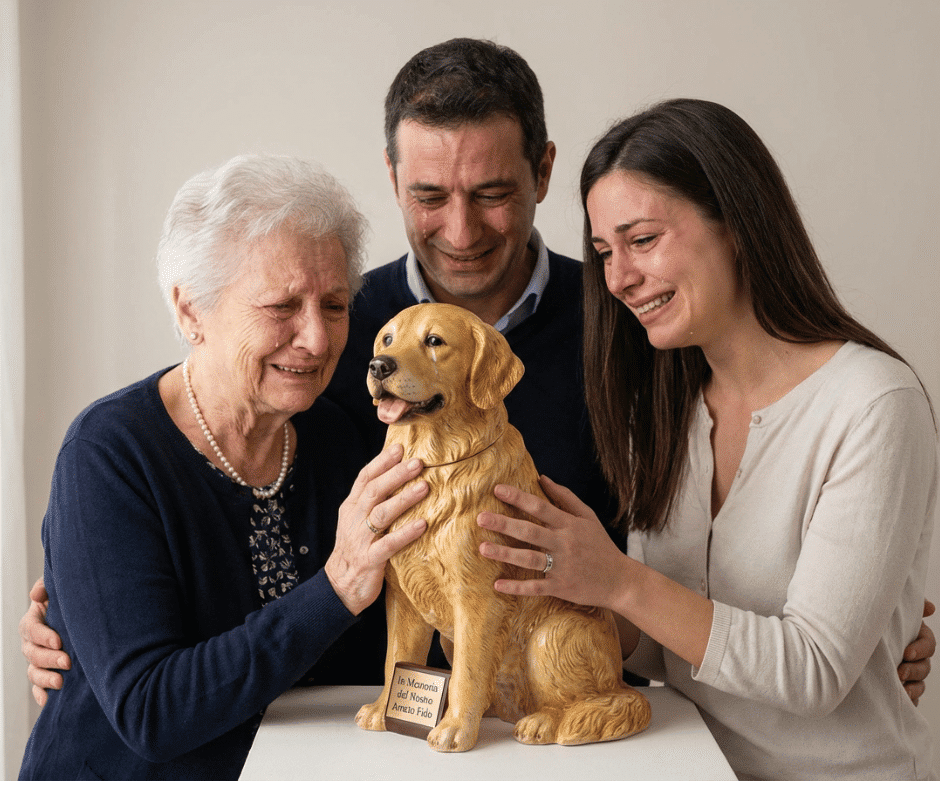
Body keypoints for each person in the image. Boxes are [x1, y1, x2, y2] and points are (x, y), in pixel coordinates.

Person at [21, 38, 934, 709]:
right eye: (429, 196)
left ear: (541, 172)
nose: (461, 230)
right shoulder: (341, 332)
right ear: (391, 181)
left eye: (493, 193)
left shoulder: (630, 325)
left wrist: (856, 628)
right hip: (370, 728)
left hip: (583, 709)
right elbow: (220, 457)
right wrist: (87, 601)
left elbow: (684, 550)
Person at [477, 98, 937, 779]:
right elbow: (669, 650)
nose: (619, 278)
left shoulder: (873, 404)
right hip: (686, 769)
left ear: (739, 224)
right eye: (605, 252)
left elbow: (811, 674)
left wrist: (619, 581)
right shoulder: (669, 407)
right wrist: (562, 584)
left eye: (642, 240)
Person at [18, 154, 430, 780]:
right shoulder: (108, 454)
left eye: (335, 304)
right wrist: (337, 585)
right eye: (281, 306)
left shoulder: (340, 438)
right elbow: (151, 711)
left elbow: (388, 645)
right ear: (190, 312)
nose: (316, 339)